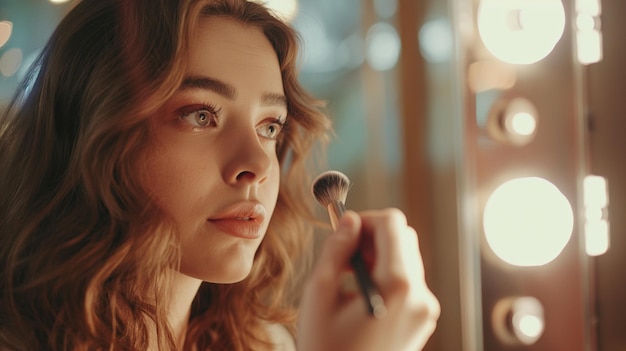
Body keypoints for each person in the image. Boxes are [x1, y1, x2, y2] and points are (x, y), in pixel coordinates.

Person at [0, 0, 440, 350]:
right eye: (201, 115)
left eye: (270, 126)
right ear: (92, 129)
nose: (259, 164)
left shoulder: (267, 345)